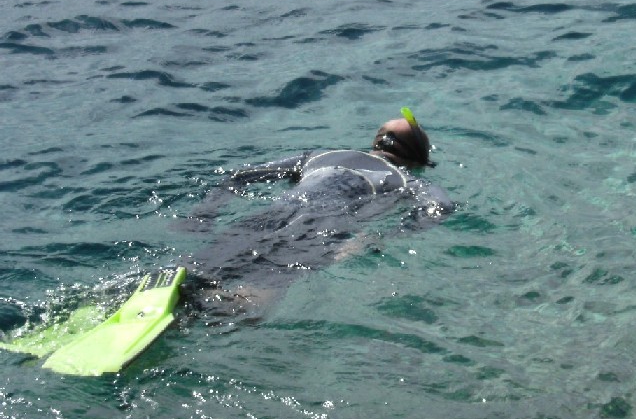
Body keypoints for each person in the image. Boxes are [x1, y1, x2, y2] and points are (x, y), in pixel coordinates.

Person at [180, 109, 454, 319]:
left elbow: (240, 177)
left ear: (377, 140)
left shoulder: (318, 156)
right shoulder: (406, 180)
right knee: (264, 288)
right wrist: (380, 237)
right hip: (323, 226)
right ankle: (205, 320)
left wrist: (202, 215)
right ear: (419, 160)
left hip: (276, 211)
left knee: (198, 268)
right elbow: (440, 207)